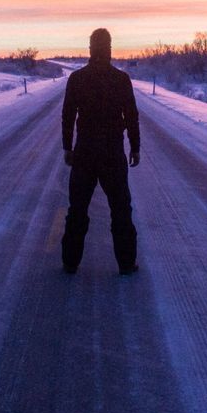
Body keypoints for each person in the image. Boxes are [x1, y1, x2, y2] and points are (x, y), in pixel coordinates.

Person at [61, 28, 140, 275]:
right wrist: (135, 147)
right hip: (112, 154)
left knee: (77, 210)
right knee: (120, 211)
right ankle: (126, 265)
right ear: (109, 48)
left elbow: (67, 116)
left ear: (90, 48)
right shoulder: (121, 79)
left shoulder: (78, 79)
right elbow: (132, 118)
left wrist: (68, 147)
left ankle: (70, 263)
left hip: (85, 153)